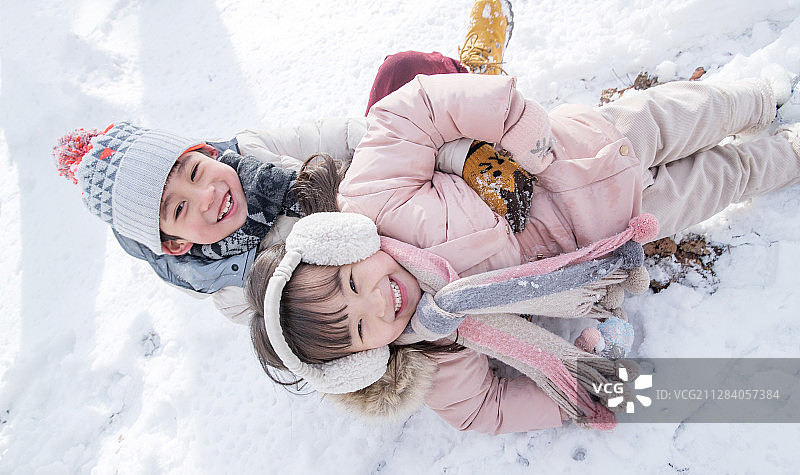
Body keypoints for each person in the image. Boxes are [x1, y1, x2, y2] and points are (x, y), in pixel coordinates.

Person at [246, 70, 800, 434]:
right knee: (723, 180)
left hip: (581, 146)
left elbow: (414, 109)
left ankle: (760, 98)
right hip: (617, 227)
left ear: (341, 244)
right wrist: (578, 392)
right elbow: (485, 409)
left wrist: (520, 134)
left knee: (695, 110)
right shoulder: (436, 344)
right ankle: (790, 154)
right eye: (362, 328)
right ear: (367, 359)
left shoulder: (373, 197)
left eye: (350, 283)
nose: (377, 301)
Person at [51, 0, 513, 324]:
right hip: (393, 264)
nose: (207, 195)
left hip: (383, 184)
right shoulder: (237, 289)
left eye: (193, 172)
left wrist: (449, 155)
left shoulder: (249, 151)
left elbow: (344, 136)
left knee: (403, 75)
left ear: (205, 152)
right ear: (175, 244)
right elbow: (320, 331)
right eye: (179, 208)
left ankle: (475, 82)